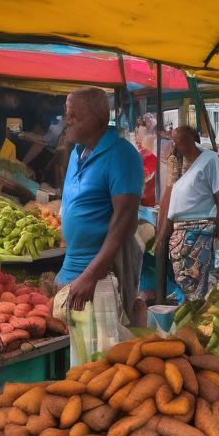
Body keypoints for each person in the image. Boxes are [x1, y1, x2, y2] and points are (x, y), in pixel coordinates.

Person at [57, 87, 145, 313]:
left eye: (74, 116)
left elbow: (125, 222)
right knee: (74, 345)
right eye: (67, 114)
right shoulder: (78, 151)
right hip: (72, 268)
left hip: (102, 276)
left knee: (101, 345)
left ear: (96, 120)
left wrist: (91, 275)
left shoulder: (121, 154)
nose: (67, 120)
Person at [158, 125, 219, 300]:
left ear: (194, 138)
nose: (179, 145)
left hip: (199, 230)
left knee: (198, 283)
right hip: (181, 231)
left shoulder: (209, 159)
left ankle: (201, 316)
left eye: (183, 140)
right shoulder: (178, 164)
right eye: (176, 141)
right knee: (185, 280)